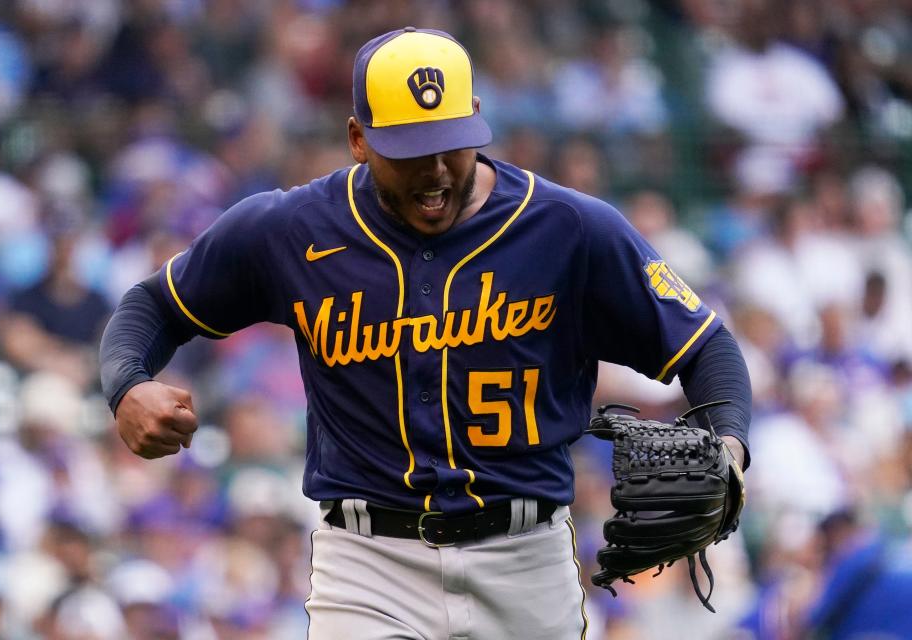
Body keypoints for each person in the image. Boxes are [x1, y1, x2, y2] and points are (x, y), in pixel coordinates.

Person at [99, 27, 752, 639]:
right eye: (411, 151)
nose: (437, 169)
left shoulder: (570, 230)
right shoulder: (292, 230)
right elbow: (151, 306)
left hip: (526, 562)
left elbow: (705, 349)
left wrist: (729, 450)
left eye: (452, 142)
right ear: (359, 138)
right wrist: (128, 387)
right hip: (368, 563)